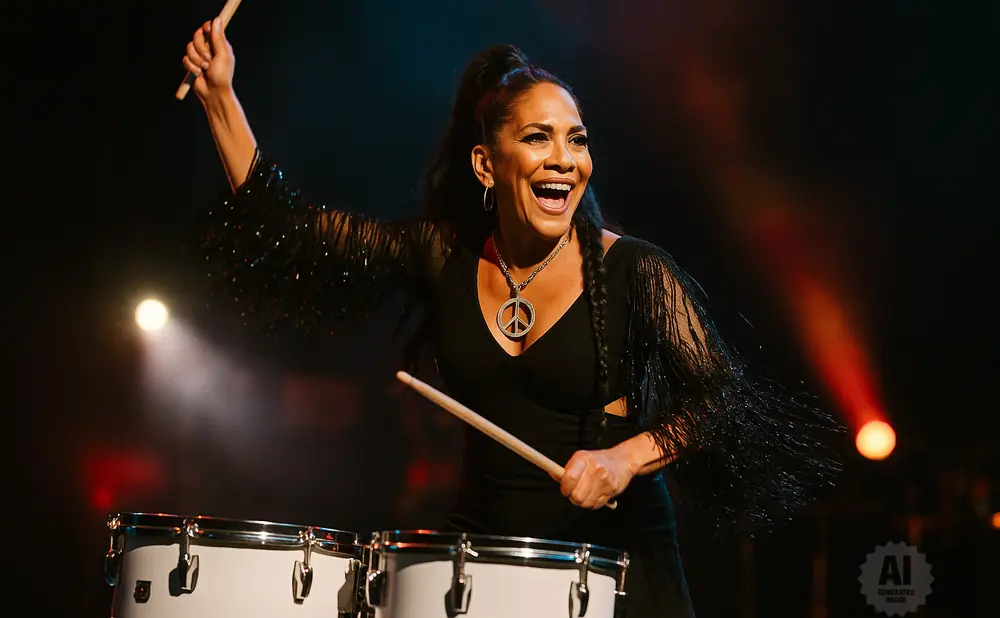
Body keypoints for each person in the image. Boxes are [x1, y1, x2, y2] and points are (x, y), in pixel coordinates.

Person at [183, 17, 842, 618]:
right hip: (485, 562)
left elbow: (721, 401)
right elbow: (296, 238)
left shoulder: (635, 271)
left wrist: (626, 459)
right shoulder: (444, 256)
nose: (565, 158)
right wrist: (219, 97)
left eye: (576, 140)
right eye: (538, 138)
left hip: (617, 571)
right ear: (486, 166)